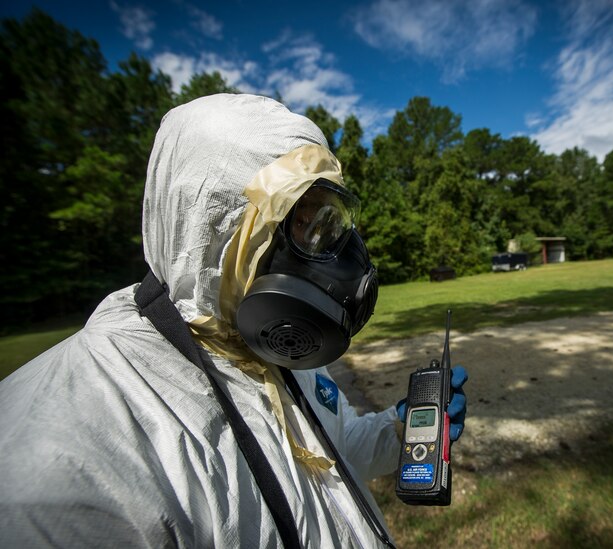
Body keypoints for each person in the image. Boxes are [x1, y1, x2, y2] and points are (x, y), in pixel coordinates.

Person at [0, 94, 467, 548]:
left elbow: (336, 448)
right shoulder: (61, 464)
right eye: (297, 222)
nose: (328, 255)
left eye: (326, 224)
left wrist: (400, 428)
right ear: (211, 227)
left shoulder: (270, 347)